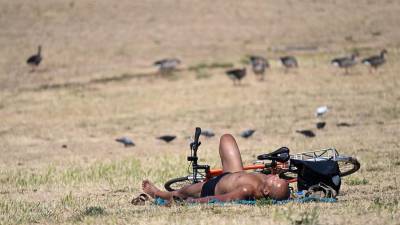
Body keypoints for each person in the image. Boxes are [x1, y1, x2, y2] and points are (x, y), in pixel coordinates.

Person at [142, 134, 290, 203]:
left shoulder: (246, 191)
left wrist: (195, 202)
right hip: (234, 172)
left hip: (215, 186)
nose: (276, 178)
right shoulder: (267, 181)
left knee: (184, 191)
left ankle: (159, 194)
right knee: (227, 138)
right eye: (279, 178)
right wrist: (276, 171)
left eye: (276, 181)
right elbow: (274, 177)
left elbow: (220, 198)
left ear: (265, 191)